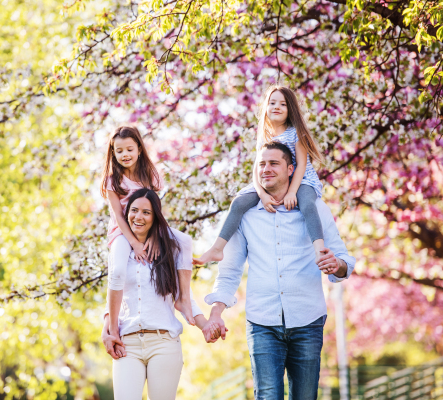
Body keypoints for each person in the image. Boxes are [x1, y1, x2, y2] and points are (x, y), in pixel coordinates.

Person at [202, 142, 356, 399]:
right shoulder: (246, 215)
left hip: (307, 320)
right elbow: (229, 271)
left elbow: (343, 259)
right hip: (262, 322)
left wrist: (336, 265)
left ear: (291, 169)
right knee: (267, 395)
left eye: (274, 163)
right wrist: (216, 311)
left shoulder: (315, 208)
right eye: (262, 164)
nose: (266, 169)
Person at [101, 188, 220, 400]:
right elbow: (115, 295)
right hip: (127, 344)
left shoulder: (167, 251)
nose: (138, 217)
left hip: (163, 343)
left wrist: (206, 325)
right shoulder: (119, 249)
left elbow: (185, 298)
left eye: (146, 212)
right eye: (134, 210)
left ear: (155, 217)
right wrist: (107, 330)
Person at [194, 85, 326, 266]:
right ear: (266, 107)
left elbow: (302, 164)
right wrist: (262, 194)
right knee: (239, 203)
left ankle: (320, 250)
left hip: (300, 180)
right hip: (272, 180)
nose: (277, 107)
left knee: (307, 204)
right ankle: (217, 249)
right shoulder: (264, 135)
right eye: (272, 103)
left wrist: (291, 192)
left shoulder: (296, 133)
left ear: (291, 109)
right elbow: (257, 168)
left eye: (283, 104)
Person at [101, 125, 195, 324]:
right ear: (113, 153)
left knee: (185, 241)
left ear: (139, 149)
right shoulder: (112, 181)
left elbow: (155, 210)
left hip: (150, 228)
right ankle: (113, 322)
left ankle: (184, 298)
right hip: (122, 231)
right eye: (119, 151)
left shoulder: (150, 176)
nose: (125, 154)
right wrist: (134, 243)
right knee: (117, 270)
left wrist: (154, 236)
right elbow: (118, 216)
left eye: (129, 149)